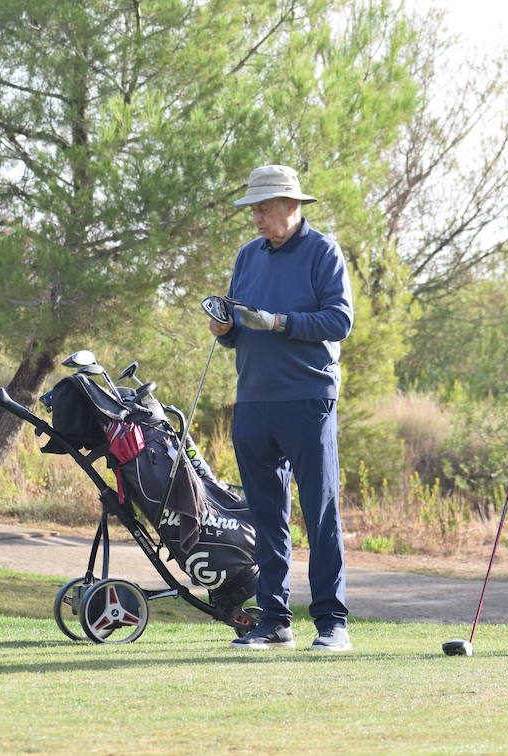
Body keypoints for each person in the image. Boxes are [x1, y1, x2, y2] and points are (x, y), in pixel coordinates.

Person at [210, 165, 354, 652]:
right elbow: (237, 330)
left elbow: (339, 319)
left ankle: (333, 624)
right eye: (253, 208)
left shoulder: (322, 251)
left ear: (293, 207)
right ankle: (274, 621)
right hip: (253, 399)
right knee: (266, 515)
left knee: (320, 513)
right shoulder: (247, 256)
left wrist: (279, 323)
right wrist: (225, 330)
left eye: (264, 207)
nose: (256, 216)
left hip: (308, 398)